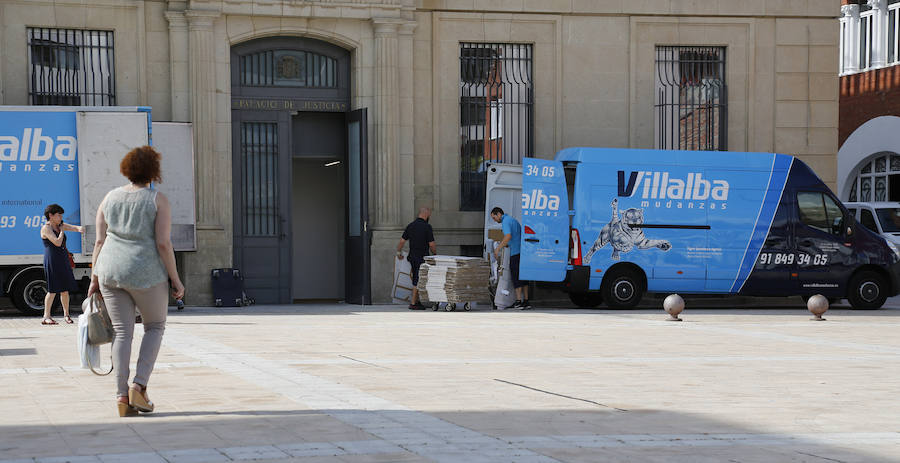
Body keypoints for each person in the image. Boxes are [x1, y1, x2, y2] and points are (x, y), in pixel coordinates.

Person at [87, 145, 185, 417]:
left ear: (126, 169)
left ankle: (121, 397)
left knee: (121, 332)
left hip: (110, 272)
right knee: (154, 327)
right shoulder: (158, 200)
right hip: (146, 274)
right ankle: (139, 387)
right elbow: (164, 244)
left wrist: (94, 278)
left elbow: (99, 240)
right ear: (153, 171)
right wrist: (175, 280)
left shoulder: (109, 198)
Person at [39, 204, 84, 325]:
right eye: (58, 215)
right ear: (51, 215)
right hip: (52, 260)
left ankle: (66, 315)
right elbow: (57, 242)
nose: (61, 217)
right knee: (52, 289)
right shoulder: (46, 228)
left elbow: (74, 228)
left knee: (65, 290)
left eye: (61, 215)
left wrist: (79, 228)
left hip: (63, 259)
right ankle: (46, 316)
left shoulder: (60, 226)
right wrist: (63, 230)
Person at [490, 207, 531, 309]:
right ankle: (526, 301)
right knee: (524, 277)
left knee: (516, 277)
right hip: (522, 252)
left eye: (494, 217)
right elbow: (516, 236)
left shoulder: (505, 222)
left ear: (499, 214)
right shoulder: (513, 220)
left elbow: (508, 236)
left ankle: (518, 301)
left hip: (515, 253)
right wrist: (507, 244)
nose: (494, 220)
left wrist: (498, 248)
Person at [397, 207, 436, 310]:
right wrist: (435, 254)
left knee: (417, 277)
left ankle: (417, 301)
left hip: (412, 257)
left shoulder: (410, 226)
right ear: (426, 215)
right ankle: (413, 302)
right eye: (429, 215)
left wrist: (398, 252)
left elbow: (402, 241)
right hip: (422, 257)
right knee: (418, 279)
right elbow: (431, 244)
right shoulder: (427, 227)